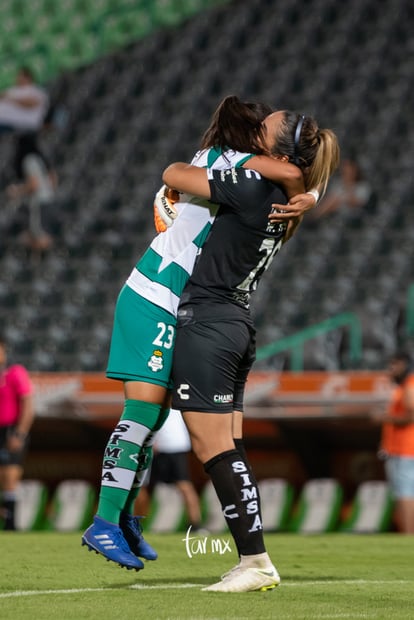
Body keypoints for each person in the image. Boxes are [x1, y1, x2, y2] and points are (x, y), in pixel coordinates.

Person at [81, 96, 318, 571]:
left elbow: (299, 173)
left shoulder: (243, 171)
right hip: (155, 295)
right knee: (143, 411)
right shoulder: (233, 165)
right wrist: (306, 191)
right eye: (257, 130)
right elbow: (292, 172)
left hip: (175, 301)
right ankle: (105, 522)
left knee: (153, 420)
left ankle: (124, 516)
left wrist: (310, 194)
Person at [163, 109, 340, 591]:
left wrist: (258, 167)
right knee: (228, 446)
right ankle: (251, 559)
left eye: (264, 126)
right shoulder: (280, 192)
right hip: (236, 323)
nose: (257, 123)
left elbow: (173, 174)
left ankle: (256, 560)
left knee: (211, 446)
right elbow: (303, 172)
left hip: (209, 322)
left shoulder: (250, 185)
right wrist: (288, 174)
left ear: (280, 152)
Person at [0, 336, 35, 531]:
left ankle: (10, 523)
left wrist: (20, 434)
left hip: (11, 430)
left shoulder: (15, 372)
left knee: (10, 474)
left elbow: (28, 405)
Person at [6, 132, 58, 259]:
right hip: (48, 200)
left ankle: (43, 265)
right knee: (33, 234)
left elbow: (33, 184)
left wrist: (16, 191)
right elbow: (54, 178)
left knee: (40, 235)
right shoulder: (40, 158)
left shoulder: (29, 159)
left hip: (39, 201)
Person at [379, 350, 414, 534]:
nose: (390, 369)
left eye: (394, 365)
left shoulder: (409, 385)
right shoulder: (403, 386)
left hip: (406, 449)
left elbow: (411, 415)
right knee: (403, 493)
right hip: (400, 449)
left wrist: (386, 417)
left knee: (406, 494)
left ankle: (409, 536)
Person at [150, 408, 202, 531]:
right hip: (165, 447)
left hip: (173, 446)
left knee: (184, 486)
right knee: (160, 488)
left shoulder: (171, 398)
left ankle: (195, 524)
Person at [310, 156, 376, 222]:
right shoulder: (338, 184)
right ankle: (314, 216)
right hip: (337, 217)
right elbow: (329, 200)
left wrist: (347, 189)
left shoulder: (362, 186)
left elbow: (356, 203)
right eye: (344, 169)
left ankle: (315, 216)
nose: (345, 172)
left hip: (356, 218)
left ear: (354, 171)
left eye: (348, 169)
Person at [0, 67, 49, 134]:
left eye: (19, 76)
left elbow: (31, 104)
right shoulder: (14, 89)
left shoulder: (36, 90)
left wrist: (10, 98)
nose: (17, 78)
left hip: (19, 123)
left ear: (28, 77)